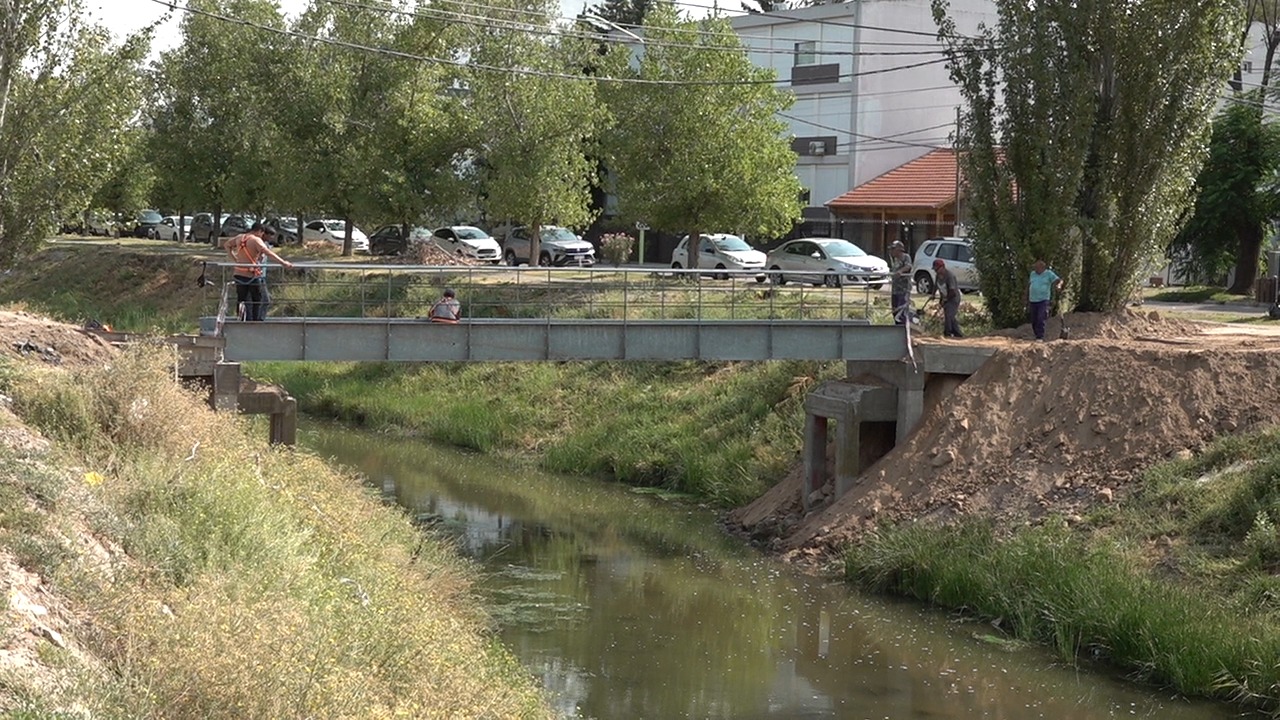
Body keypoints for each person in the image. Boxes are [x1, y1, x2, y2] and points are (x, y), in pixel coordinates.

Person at [224, 224, 293, 321]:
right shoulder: (256, 240)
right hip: (251, 275)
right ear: (259, 231)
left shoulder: (240, 237)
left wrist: (235, 259)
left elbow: (227, 245)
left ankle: (241, 320)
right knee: (257, 299)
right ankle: (255, 322)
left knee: (241, 299)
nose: (261, 236)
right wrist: (283, 262)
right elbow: (268, 252)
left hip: (239, 273)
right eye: (262, 233)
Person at [1026, 259, 1064, 341]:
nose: (1035, 269)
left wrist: (1059, 286)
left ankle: (1040, 336)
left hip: (1043, 300)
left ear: (1042, 268)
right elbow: (1029, 285)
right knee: (1034, 319)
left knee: (1041, 317)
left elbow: (1059, 280)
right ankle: (1036, 334)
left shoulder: (1048, 274)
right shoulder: (1033, 274)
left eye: (1036, 267)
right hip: (1033, 300)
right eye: (1035, 267)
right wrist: (1025, 297)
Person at [933, 258, 963, 338]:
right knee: (949, 316)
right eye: (935, 269)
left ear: (942, 267)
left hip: (953, 298)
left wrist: (946, 299)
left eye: (937, 269)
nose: (936, 271)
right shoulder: (938, 276)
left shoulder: (950, 276)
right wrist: (933, 295)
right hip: (945, 297)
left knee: (949, 315)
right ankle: (958, 333)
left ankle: (947, 333)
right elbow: (936, 286)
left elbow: (952, 291)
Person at [888, 240, 913, 325]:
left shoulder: (906, 257)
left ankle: (902, 327)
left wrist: (901, 271)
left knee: (901, 310)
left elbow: (908, 266)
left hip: (903, 289)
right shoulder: (895, 260)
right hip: (895, 289)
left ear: (899, 249)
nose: (891, 251)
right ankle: (897, 326)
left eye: (893, 249)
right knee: (894, 310)